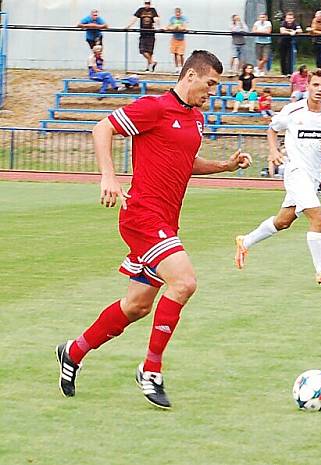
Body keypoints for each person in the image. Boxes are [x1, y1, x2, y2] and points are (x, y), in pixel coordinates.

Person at [55, 50, 253, 409]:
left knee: (136, 306)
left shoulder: (196, 119)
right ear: (190, 76)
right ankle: (151, 371)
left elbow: (186, 162)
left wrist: (224, 165)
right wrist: (109, 176)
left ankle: (73, 351)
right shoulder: (155, 107)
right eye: (209, 84)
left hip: (165, 221)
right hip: (143, 217)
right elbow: (103, 128)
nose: (212, 92)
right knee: (185, 281)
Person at [235, 69, 321, 285]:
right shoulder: (293, 111)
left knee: (283, 221)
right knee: (318, 218)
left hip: (313, 176)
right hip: (295, 173)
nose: (319, 90)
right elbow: (272, 128)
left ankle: (245, 241)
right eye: (316, 85)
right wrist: (274, 151)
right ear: (307, 86)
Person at [127, 0, 160, 73]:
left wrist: (158, 26)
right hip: (143, 33)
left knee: (150, 51)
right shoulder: (141, 10)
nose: (147, 5)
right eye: (146, 3)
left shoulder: (153, 10)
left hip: (151, 33)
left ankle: (149, 68)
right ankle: (152, 62)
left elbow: (156, 19)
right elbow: (134, 18)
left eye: (148, 3)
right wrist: (128, 26)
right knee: (142, 50)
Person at [279, 11, 302, 76]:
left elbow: (300, 30)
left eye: (291, 18)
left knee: (290, 57)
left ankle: (289, 72)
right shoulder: (283, 23)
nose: (290, 20)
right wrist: (290, 32)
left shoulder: (295, 24)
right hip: (283, 42)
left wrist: (293, 31)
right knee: (283, 57)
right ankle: (283, 73)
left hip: (291, 43)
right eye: (288, 18)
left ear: (293, 19)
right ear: (286, 19)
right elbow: (282, 31)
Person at [166, 7, 188, 74]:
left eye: (179, 13)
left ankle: (182, 67)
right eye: (176, 13)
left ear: (180, 13)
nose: (177, 14)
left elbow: (185, 27)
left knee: (180, 54)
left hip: (181, 39)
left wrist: (179, 28)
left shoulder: (183, 19)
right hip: (174, 38)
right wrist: (174, 28)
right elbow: (168, 27)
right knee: (175, 53)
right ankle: (176, 68)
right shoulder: (172, 19)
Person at [252, 13, 273, 77]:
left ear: (266, 18)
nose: (262, 18)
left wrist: (259, 31)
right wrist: (263, 31)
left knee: (265, 58)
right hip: (258, 41)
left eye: (263, 17)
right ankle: (261, 71)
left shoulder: (268, 23)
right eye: (261, 17)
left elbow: (268, 31)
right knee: (259, 57)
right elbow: (253, 31)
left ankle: (257, 68)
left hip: (267, 42)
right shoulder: (256, 23)